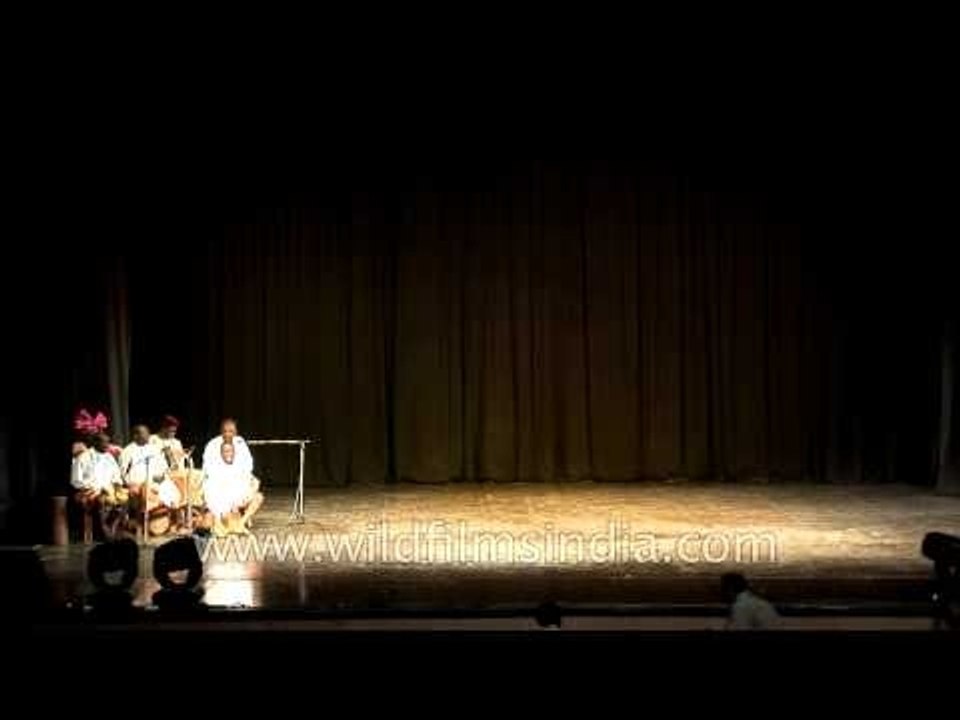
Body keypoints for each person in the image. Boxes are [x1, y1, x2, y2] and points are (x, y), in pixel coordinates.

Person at [202, 420, 262, 536]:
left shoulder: (240, 442)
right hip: (219, 482)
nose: (228, 434)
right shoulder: (212, 444)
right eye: (225, 431)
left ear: (236, 432)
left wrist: (247, 482)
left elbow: (248, 465)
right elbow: (209, 469)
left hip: (238, 480)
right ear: (221, 432)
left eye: (231, 431)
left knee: (256, 489)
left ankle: (242, 521)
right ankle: (222, 519)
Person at [121, 424, 180, 510]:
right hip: (139, 482)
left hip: (156, 480)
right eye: (144, 433)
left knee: (170, 488)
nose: (148, 435)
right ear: (136, 436)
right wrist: (130, 484)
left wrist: (163, 475)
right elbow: (124, 472)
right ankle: (152, 514)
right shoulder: (128, 451)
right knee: (150, 490)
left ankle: (170, 513)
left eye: (148, 433)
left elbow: (163, 466)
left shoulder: (154, 449)